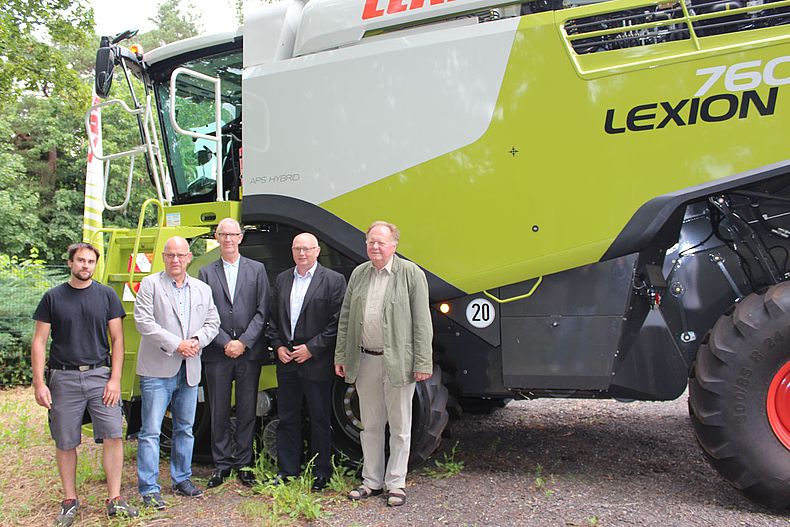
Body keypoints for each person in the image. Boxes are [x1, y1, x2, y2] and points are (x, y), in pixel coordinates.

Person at [31, 242, 139, 526]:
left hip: (99, 376)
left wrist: (114, 379)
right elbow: (39, 342)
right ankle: (70, 500)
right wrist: (39, 383)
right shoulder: (53, 298)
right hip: (63, 378)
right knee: (66, 441)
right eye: (80, 260)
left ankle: (115, 499)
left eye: (90, 261)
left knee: (113, 435)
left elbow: (117, 340)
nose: (85, 266)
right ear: (70, 263)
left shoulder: (107, 296)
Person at [334, 221, 433, 507]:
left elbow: (422, 322)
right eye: (370, 242)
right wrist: (341, 355)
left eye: (380, 242)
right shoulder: (359, 274)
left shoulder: (411, 274)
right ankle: (371, 481)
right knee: (371, 426)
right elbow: (346, 318)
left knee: (400, 427)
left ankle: (396, 483)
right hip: (365, 360)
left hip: (398, 363)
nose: (375, 247)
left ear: (394, 245)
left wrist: (422, 362)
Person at [133, 236, 219, 509]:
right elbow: (143, 322)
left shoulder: (202, 288)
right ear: (163, 258)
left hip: (189, 368)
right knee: (151, 431)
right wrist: (176, 344)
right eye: (170, 255)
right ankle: (149, 488)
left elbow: (213, 321)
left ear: (189, 258)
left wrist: (196, 340)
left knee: (185, 428)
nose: (176, 260)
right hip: (157, 370)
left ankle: (182, 479)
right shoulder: (150, 285)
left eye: (181, 255)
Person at [267, 232, 347, 490]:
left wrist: (312, 349)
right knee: (287, 417)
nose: (302, 253)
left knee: (320, 418)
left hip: (316, 360)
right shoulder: (282, 279)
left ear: (317, 251)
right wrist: (278, 346)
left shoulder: (333, 280)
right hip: (287, 359)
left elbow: (338, 323)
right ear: (292, 251)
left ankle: (321, 472)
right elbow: (272, 319)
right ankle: (287, 470)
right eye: (297, 249)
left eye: (307, 249)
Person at [198, 218, 270, 488]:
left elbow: (263, 311)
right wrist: (225, 342)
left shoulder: (257, 269)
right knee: (218, 409)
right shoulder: (206, 272)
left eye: (233, 234)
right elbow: (203, 312)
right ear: (217, 238)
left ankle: (244, 464)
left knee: (246, 409)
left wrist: (244, 342)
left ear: (241, 237)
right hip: (218, 353)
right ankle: (221, 465)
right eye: (223, 234)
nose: (228, 238)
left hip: (248, 353)